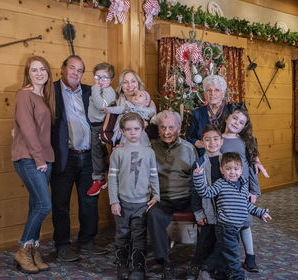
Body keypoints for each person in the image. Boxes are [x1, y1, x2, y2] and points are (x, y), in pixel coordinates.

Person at [50, 55, 107, 262]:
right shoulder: (51, 90)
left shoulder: (90, 92)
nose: (75, 73)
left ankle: (87, 241)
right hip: (64, 156)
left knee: (89, 201)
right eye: (72, 68)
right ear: (63, 69)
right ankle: (63, 245)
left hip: (89, 156)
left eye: (80, 70)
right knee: (61, 203)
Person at [193, 152, 272, 280]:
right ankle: (237, 276)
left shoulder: (243, 184)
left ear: (241, 170)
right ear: (221, 170)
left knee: (221, 249)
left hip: (236, 227)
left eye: (236, 169)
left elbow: (246, 205)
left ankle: (205, 269)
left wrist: (260, 212)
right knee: (233, 253)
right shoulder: (220, 183)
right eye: (228, 169)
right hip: (225, 226)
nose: (232, 172)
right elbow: (205, 192)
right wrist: (198, 176)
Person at [11, 56, 55, 273]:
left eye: (42, 69)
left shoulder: (43, 96)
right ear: (28, 73)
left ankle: (33, 249)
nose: (39, 73)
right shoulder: (24, 94)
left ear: (48, 72)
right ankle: (23, 249)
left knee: (35, 206)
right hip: (29, 158)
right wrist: (39, 159)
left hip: (45, 158)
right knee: (44, 205)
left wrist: (45, 158)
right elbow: (27, 129)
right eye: (34, 70)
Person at [108, 112, 160, 280]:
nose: (133, 132)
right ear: (122, 131)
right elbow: (112, 178)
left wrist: (156, 195)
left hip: (142, 203)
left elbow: (154, 176)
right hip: (123, 203)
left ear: (142, 129)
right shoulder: (117, 153)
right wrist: (114, 201)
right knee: (122, 234)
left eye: (136, 129)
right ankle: (122, 265)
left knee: (139, 236)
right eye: (128, 129)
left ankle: (138, 267)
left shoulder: (149, 152)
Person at [147, 110, 197, 280]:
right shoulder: (150, 147)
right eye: (162, 127)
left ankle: (203, 261)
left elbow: (196, 179)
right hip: (163, 199)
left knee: (208, 211)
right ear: (158, 129)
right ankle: (163, 261)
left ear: (179, 127)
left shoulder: (189, 149)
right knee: (154, 214)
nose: (167, 132)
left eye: (171, 127)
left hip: (185, 197)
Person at [186, 75, 268, 177]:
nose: (212, 94)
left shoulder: (232, 111)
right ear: (205, 93)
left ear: (223, 93)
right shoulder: (198, 113)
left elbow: (247, 135)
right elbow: (189, 137)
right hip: (207, 161)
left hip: (230, 163)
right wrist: (200, 143)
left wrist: (256, 159)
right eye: (209, 90)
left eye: (216, 90)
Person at [220, 108, 262, 272]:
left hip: (242, 190)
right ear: (227, 118)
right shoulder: (218, 139)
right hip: (223, 190)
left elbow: (252, 168)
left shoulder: (244, 142)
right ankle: (228, 258)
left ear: (244, 126)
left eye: (241, 122)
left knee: (245, 223)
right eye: (235, 118)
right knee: (226, 224)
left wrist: (254, 190)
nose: (236, 123)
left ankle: (250, 257)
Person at [187, 124, 224, 280]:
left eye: (215, 139)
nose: (212, 143)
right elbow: (195, 192)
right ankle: (197, 265)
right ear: (202, 142)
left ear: (221, 141)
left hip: (224, 212)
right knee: (204, 242)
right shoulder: (199, 163)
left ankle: (215, 267)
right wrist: (198, 212)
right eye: (207, 140)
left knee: (223, 242)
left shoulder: (227, 161)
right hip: (207, 211)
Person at [101, 69, 156, 146]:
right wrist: (118, 144)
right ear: (121, 86)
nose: (130, 85)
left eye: (133, 81)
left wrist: (145, 124)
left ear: (138, 83)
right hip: (122, 149)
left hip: (144, 147)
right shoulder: (115, 105)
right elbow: (105, 133)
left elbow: (155, 132)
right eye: (125, 82)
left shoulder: (148, 103)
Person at [86, 62, 116, 196]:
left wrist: (95, 89)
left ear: (111, 80)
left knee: (96, 152)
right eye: (97, 77)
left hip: (101, 125)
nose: (100, 81)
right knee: (99, 150)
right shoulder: (100, 90)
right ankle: (104, 174)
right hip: (94, 125)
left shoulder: (108, 91)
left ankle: (98, 178)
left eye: (104, 77)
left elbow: (100, 106)